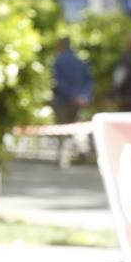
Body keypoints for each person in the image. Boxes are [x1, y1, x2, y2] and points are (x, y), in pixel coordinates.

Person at [52, 37, 93, 167]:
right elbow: (89, 81)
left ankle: (64, 157)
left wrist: (72, 96)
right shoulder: (80, 61)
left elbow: (57, 82)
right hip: (78, 100)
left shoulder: (59, 61)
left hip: (64, 100)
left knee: (63, 127)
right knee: (77, 127)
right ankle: (81, 154)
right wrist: (83, 97)